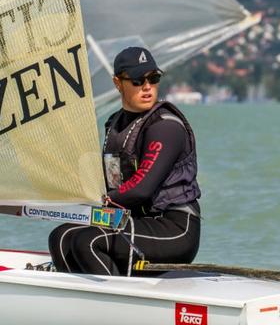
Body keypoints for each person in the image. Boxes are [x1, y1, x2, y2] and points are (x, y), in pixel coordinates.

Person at [48, 47, 201, 276]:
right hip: (134, 222)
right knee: (61, 237)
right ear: (118, 83)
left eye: (154, 78)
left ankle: (109, 308)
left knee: (88, 242)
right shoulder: (115, 125)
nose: (147, 86)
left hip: (175, 228)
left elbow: (141, 189)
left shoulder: (166, 127)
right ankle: (84, 304)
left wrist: (102, 200)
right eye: (138, 80)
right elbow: (111, 181)